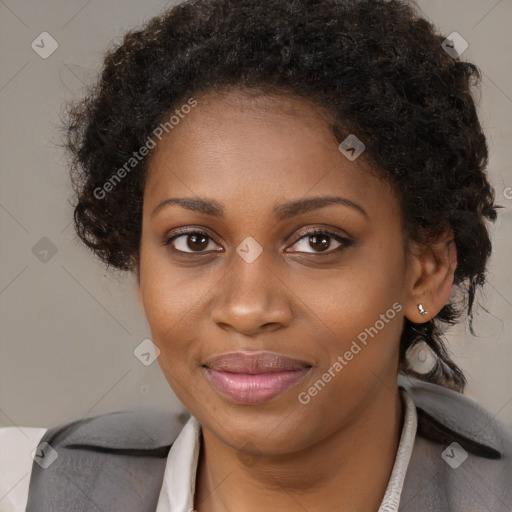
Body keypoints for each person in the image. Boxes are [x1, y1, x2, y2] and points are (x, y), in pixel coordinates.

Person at [1, 0, 511, 510]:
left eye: (318, 241)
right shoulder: (32, 487)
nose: (247, 309)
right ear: (138, 267)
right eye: (194, 241)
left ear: (427, 271)